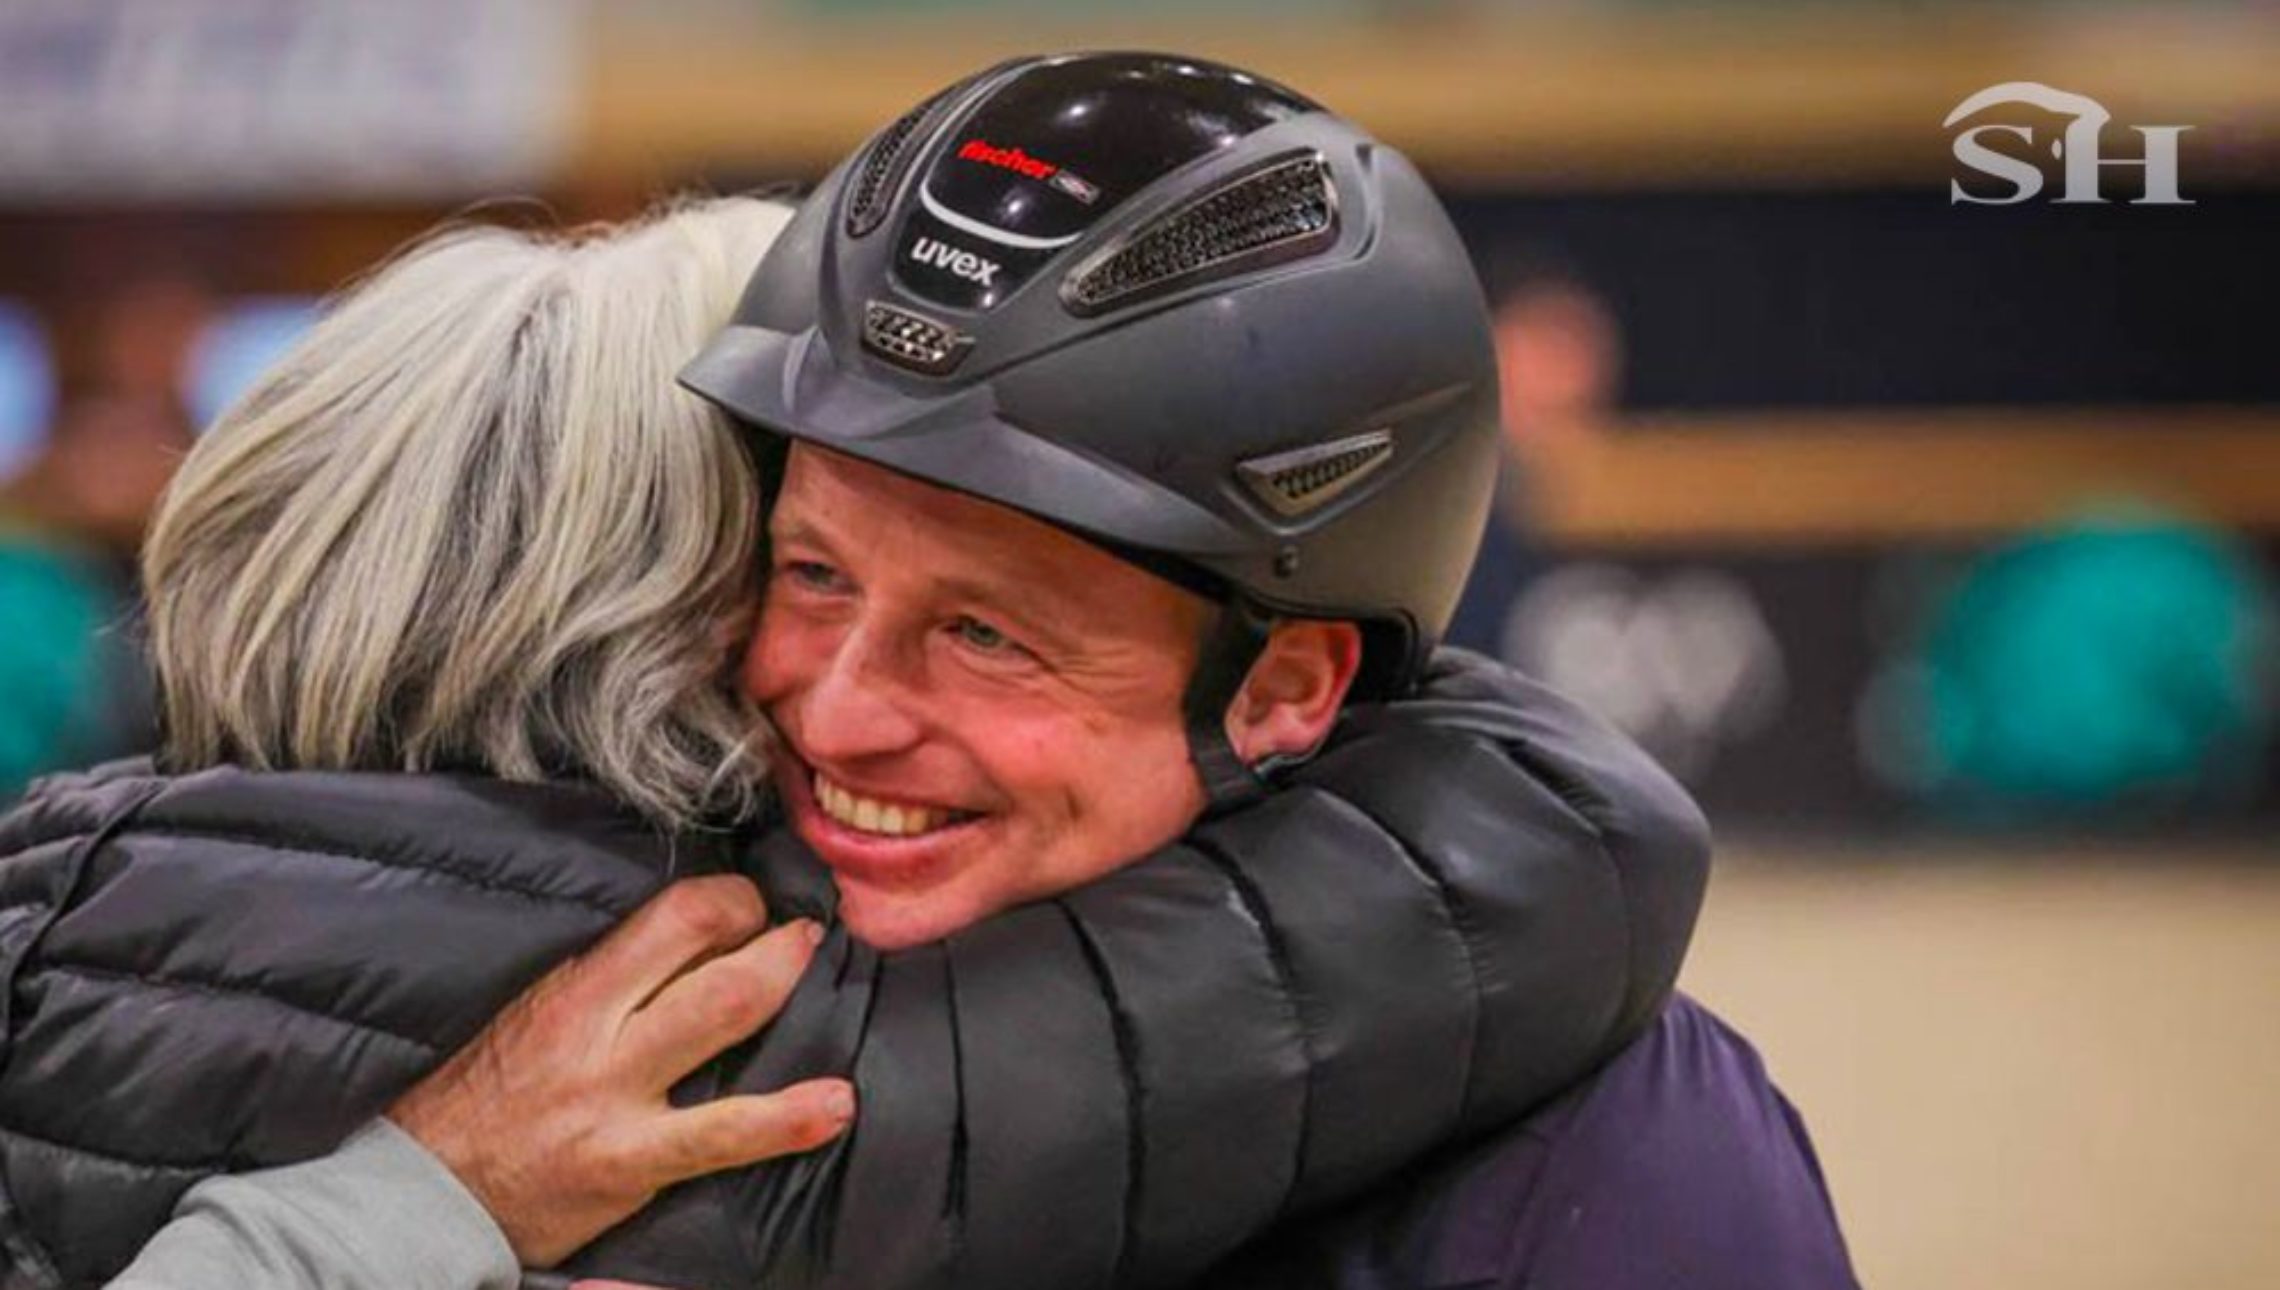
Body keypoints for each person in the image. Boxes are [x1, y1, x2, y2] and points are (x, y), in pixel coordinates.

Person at [31, 53, 1840, 1290]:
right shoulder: (554, 1075)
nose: (830, 707)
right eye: (805, 572)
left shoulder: (1589, 1147)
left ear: (1289, 686)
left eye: (988, 628)